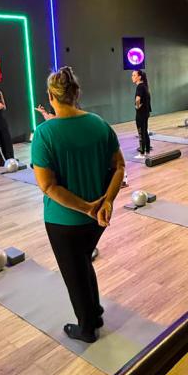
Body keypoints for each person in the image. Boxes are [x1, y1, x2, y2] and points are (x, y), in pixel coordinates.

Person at [31, 67, 126, 343]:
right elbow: (119, 166)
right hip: (97, 221)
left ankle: (86, 328)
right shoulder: (99, 124)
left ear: (51, 96)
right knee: (83, 261)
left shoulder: (44, 134)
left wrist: (87, 207)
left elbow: (48, 186)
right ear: (77, 93)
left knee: (74, 274)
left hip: (64, 222)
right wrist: (106, 202)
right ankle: (95, 313)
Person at [132, 69, 152, 155]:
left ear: (139, 77)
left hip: (141, 113)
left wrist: (137, 106)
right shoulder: (144, 86)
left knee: (141, 132)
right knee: (145, 131)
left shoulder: (140, 86)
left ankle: (142, 151)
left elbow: (138, 99)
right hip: (145, 113)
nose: (132, 77)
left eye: (134, 75)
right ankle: (147, 149)